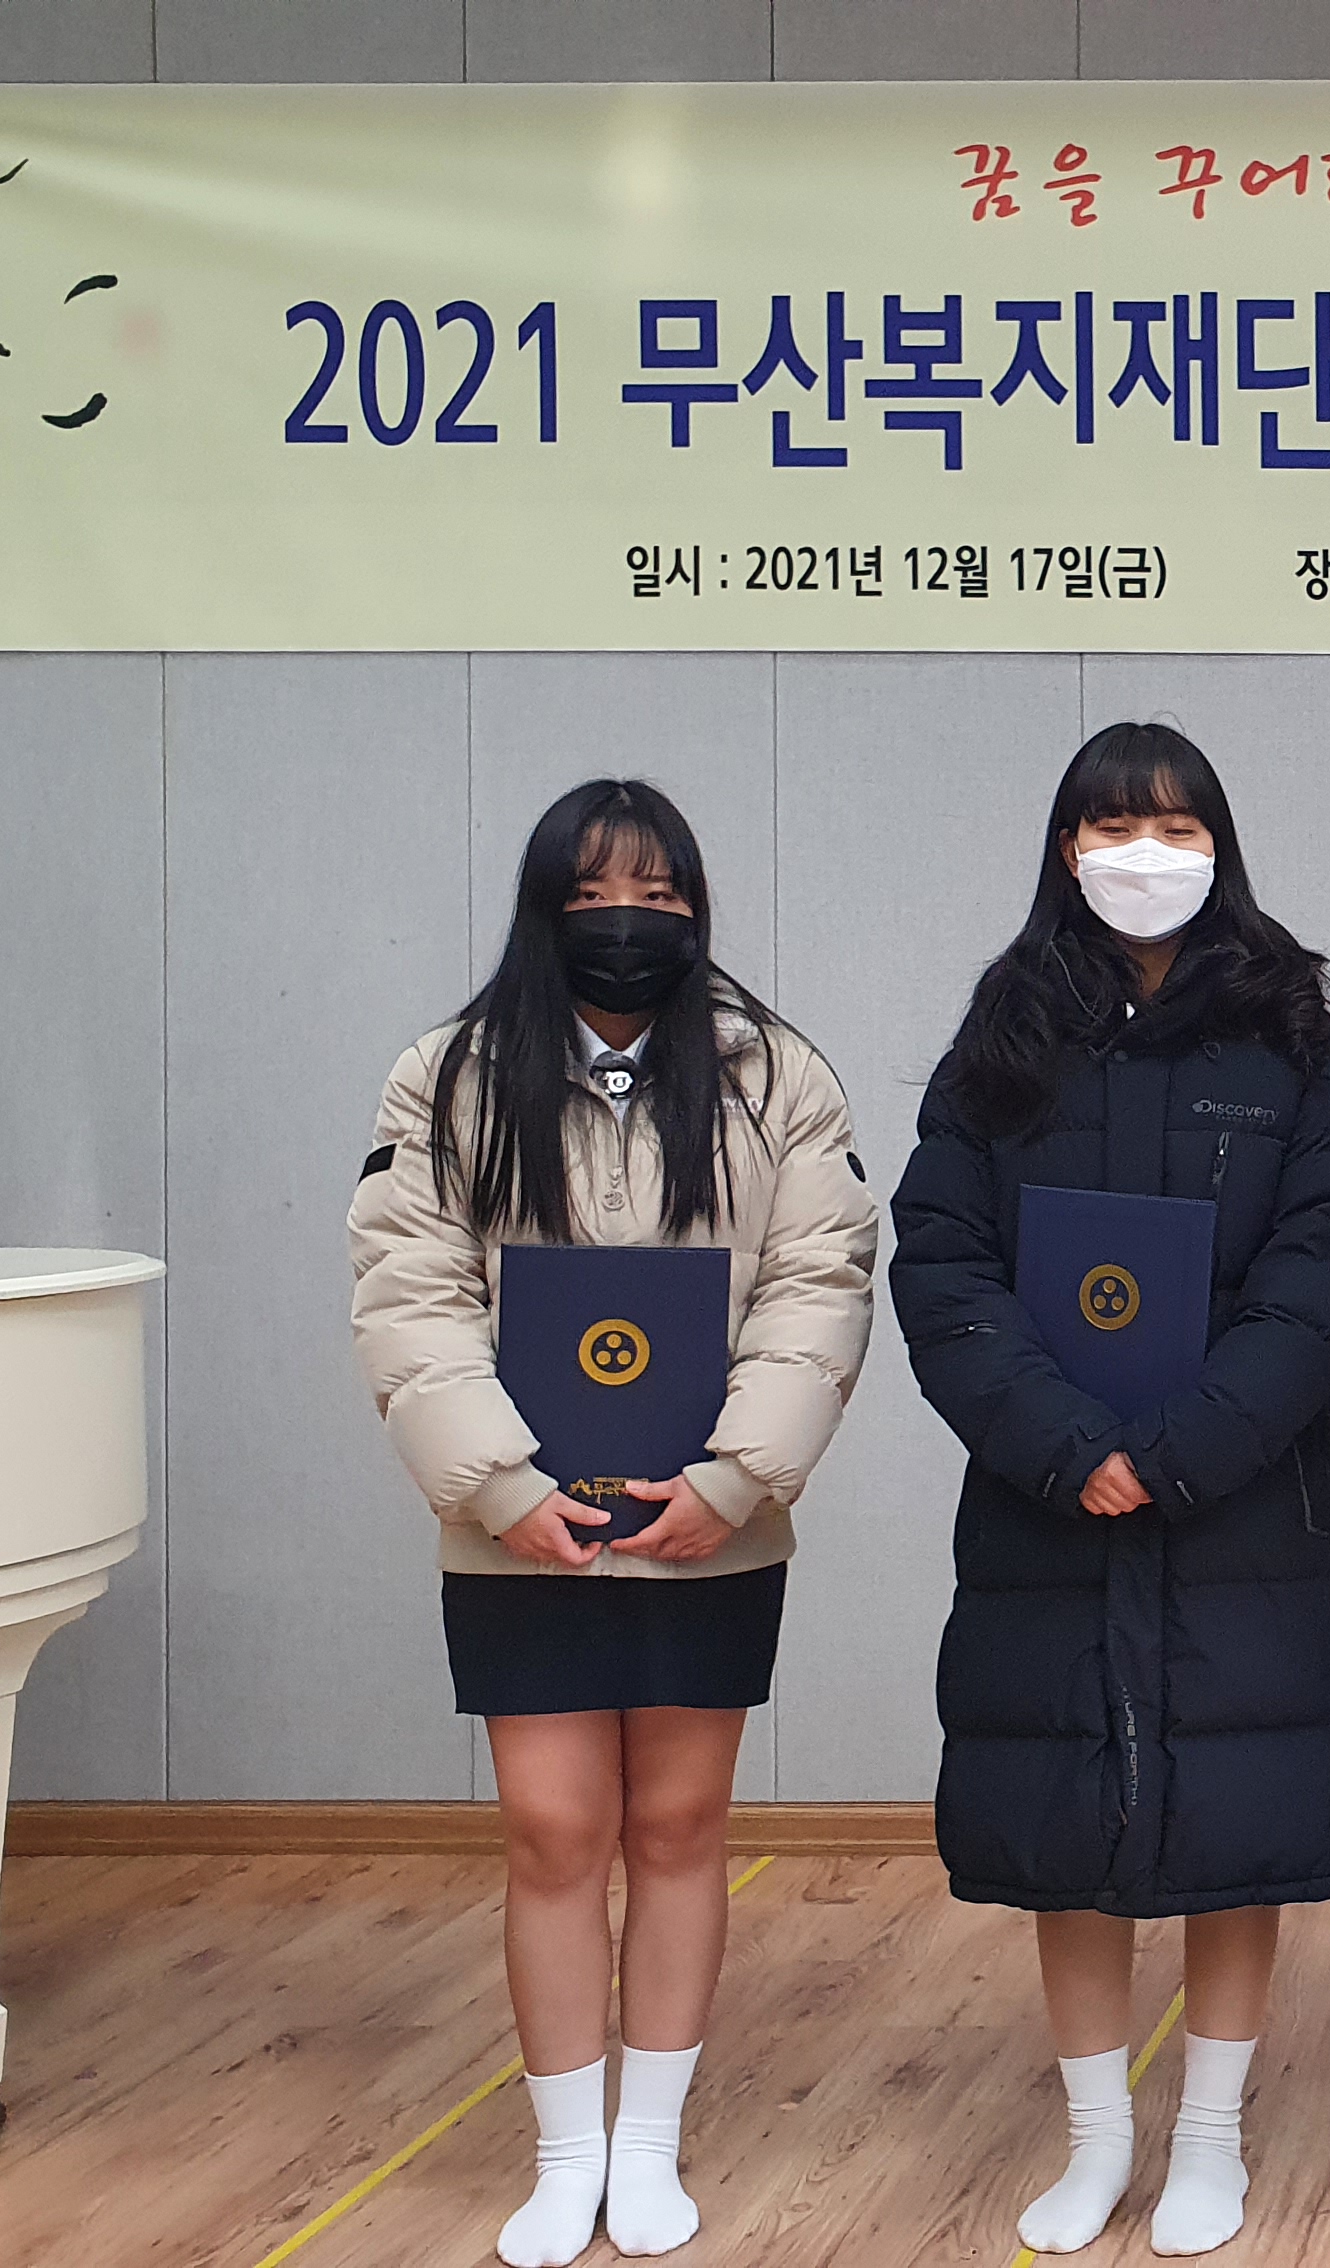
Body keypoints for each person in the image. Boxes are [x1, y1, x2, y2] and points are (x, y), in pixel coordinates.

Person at [347, 778, 880, 2268]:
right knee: (552, 1830)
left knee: (680, 1824)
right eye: (591, 895)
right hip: (518, 1528)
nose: (625, 919)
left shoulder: (778, 1075)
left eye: (654, 893)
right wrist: (503, 1489)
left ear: (696, 910)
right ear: (543, 912)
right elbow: (410, 1291)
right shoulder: (449, 1077)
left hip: (708, 1523)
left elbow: (820, 1279)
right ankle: (562, 2155)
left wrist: (734, 1478)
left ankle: (646, 2146)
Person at [892, 721, 1330, 2261]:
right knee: (1069, 1823)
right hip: (1046, 1505)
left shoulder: (1298, 1040)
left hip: (1242, 1509)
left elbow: (1323, 1271)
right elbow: (942, 1263)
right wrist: (1066, 1445)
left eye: (1176, 827)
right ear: (1067, 848)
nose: (1145, 854)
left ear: (1219, 848)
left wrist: (1177, 1450)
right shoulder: (1002, 1036)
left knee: (1238, 1818)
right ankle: (1099, 2137)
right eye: (1114, 826)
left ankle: (1214, 2138)